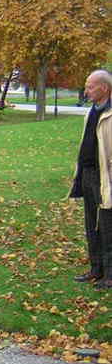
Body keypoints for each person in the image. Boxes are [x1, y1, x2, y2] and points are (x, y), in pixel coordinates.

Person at [70, 69, 112, 289]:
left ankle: (110, 274)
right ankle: (96, 268)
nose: (86, 91)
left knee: (107, 225)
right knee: (91, 224)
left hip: (105, 177)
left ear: (104, 88)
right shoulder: (91, 112)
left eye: (90, 86)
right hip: (88, 175)